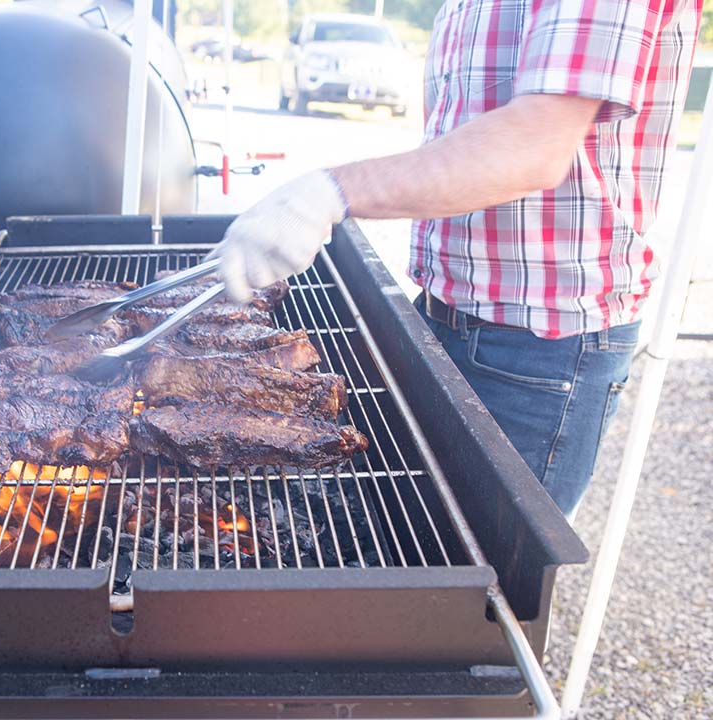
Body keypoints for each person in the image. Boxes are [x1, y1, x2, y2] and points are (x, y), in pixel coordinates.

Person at [214, 0, 702, 517]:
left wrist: (328, 192)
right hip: (442, 313)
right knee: (406, 537)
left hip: (540, 349)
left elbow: (535, 147)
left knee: (480, 583)